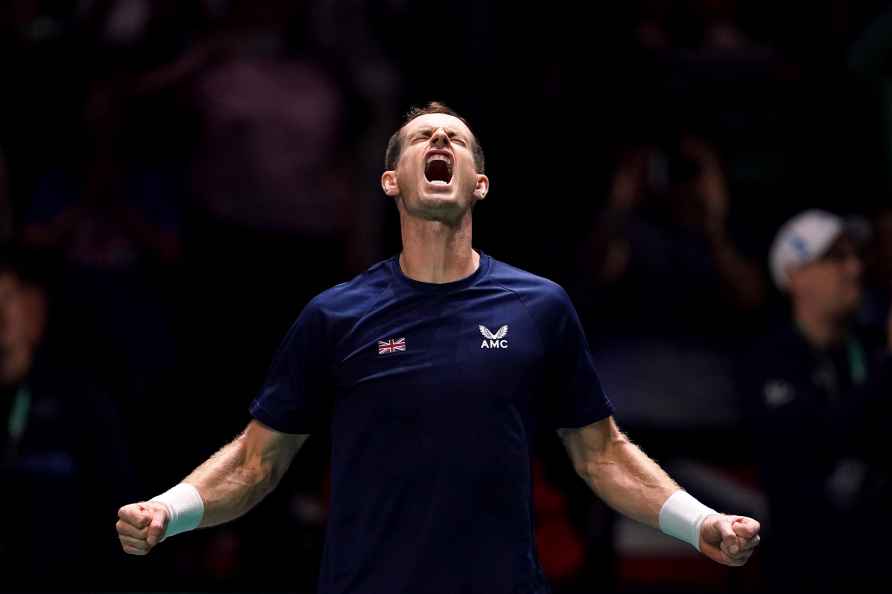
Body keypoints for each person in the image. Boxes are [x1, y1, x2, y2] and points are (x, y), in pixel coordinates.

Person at [116, 103, 760, 594]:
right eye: (424, 136)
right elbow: (258, 463)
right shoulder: (335, 316)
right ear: (392, 181)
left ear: (479, 183)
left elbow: (603, 457)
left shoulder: (539, 308)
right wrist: (167, 511)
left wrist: (701, 523)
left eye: (456, 137)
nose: (441, 140)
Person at [746, 209, 892, 591]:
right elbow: (808, 446)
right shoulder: (768, 359)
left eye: (855, 257)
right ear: (795, 274)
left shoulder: (871, 348)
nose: (854, 269)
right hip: (805, 568)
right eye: (836, 257)